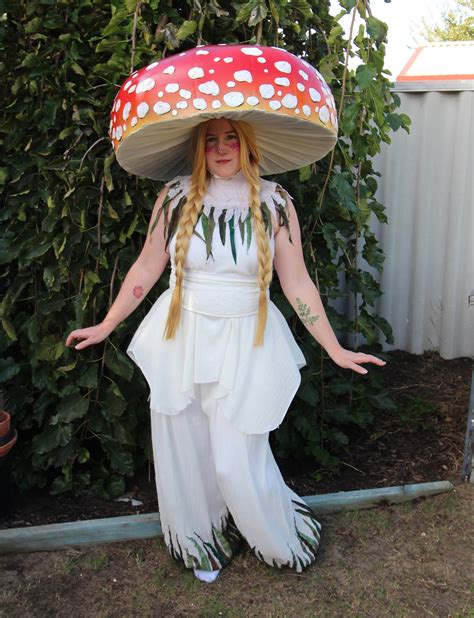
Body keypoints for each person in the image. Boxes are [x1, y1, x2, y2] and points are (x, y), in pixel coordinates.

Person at [66, 116, 386, 582]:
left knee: (236, 459)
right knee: (187, 448)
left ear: (247, 143)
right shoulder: (174, 198)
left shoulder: (275, 203)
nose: (220, 148)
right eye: (210, 140)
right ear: (199, 148)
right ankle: (203, 540)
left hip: (247, 341)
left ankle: (274, 533)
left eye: (230, 138)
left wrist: (334, 348)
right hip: (183, 337)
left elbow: (296, 282)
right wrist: (108, 322)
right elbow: (146, 266)